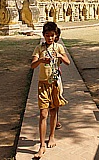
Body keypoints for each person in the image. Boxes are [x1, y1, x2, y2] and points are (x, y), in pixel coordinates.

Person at [31, 22, 70, 158]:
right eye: (47, 35)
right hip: (43, 84)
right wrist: (41, 60)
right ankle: (42, 145)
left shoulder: (58, 47)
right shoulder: (39, 48)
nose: (49, 38)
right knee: (43, 114)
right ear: (43, 36)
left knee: (53, 111)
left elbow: (67, 62)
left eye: (52, 35)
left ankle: (51, 136)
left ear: (56, 35)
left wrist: (60, 56)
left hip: (55, 84)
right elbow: (32, 66)